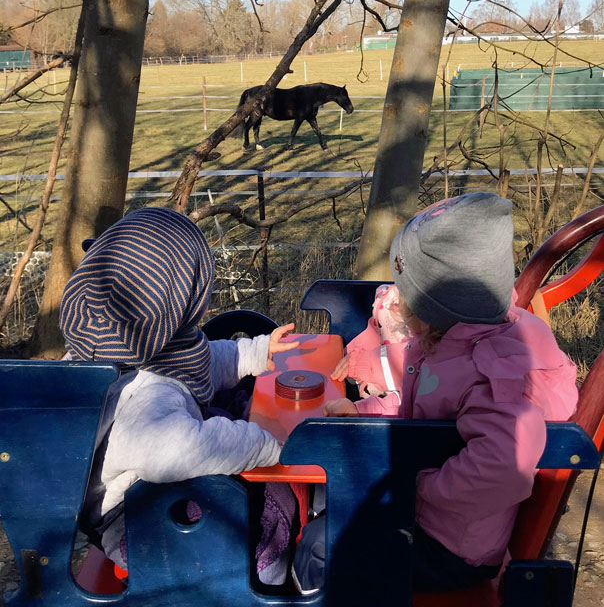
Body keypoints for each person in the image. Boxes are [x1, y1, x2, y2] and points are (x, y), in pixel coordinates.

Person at [293, 192, 579, 594]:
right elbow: (419, 410)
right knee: (332, 501)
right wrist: (363, 415)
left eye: (406, 295)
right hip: (436, 520)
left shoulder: (498, 372)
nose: (399, 303)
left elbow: (501, 471)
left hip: (451, 548)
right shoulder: (454, 343)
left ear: (438, 304)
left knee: (322, 546)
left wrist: (415, 484)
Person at [59, 207, 298, 570]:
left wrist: (255, 352)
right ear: (185, 301)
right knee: (274, 508)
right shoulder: (148, 390)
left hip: (149, 486)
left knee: (227, 415)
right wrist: (267, 443)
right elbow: (175, 448)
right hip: (133, 523)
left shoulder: (119, 342)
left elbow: (201, 362)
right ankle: (268, 583)